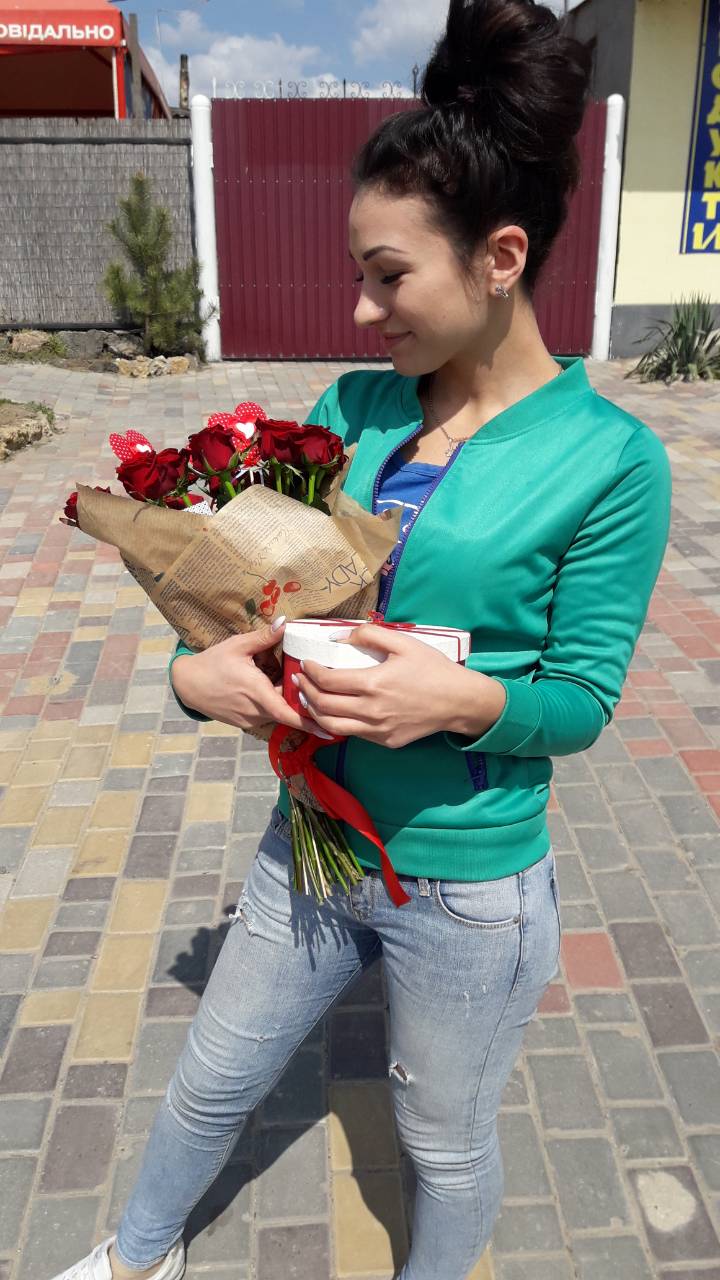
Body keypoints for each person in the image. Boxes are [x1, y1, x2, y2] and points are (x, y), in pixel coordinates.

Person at [53, 1, 672, 1277]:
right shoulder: (354, 409)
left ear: (500, 258)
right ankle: (134, 1256)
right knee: (210, 1076)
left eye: (389, 274)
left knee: (441, 1139)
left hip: (467, 890)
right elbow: (257, 596)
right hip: (311, 838)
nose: (360, 305)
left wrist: (457, 700)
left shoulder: (611, 460)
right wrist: (194, 675)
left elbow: (581, 699)